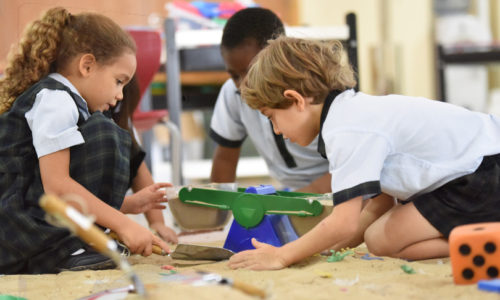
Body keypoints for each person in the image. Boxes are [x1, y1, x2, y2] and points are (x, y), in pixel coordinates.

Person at [228, 36, 500, 270]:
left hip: (482, 174)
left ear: (296, 100)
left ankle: (489, 240)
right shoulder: (350, 112)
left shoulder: (345, 130)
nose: (275, 130)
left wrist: (282, 256)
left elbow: (343, 222)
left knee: (382, 241)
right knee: (379, 236)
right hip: (476, 165)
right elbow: (379, 203)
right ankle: (482, 235)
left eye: (271, 117)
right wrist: (330, 248)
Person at [0, 7, 170, 274]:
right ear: (87, 65)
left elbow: (42, 191)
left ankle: (73, 244)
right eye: (118, 81)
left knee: (104, 131)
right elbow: (57, 187)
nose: (121, 95)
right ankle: (64, 250)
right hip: (12, 234)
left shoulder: (69, 102)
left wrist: (126, 207)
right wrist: (123, 224)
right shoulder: (55, 100)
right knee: (104, 135)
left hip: (22, 224)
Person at [209, 7, 331, 193]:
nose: (244, 86)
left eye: (252, 72)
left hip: (339, 186)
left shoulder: (314, 90)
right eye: (234, 76)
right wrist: (217, 216)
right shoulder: (232, 94)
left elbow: (353, 169)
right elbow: (225, 159)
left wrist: (295, 204)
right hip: (289, 190)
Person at [112, 75, 178, 244]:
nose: (116, 99)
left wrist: (157, 223)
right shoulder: (89, 126)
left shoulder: (117, 122)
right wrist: (128, 206)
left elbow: (138, 167)